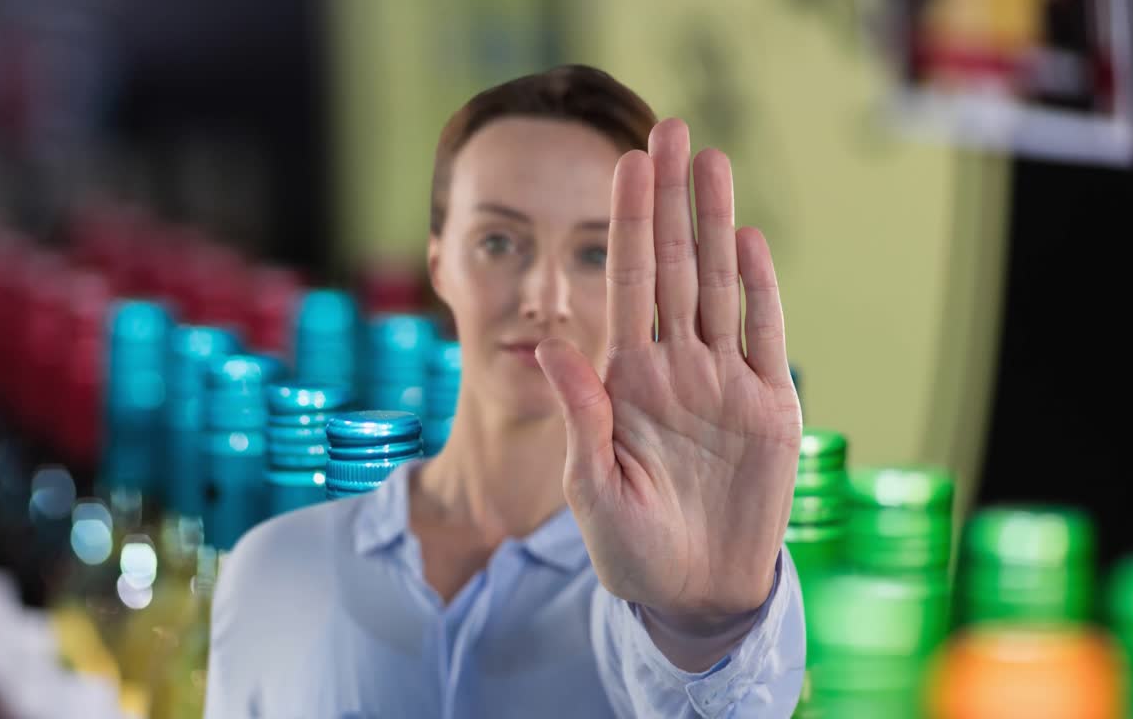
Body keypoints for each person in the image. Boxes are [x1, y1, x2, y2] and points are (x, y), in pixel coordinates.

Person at [204, 64, 805, 718]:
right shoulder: (274, 569)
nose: (540, 298)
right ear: (439, 261)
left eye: (595, 254)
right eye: (499, 241)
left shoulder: (675, 583)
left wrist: (704, 625)